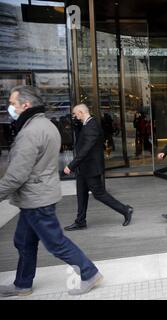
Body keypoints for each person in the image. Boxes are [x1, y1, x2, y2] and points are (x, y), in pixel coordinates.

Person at [0, 86, 102, 297]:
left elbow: (16, 175)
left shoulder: (30, 132)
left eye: (12, 103)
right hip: (36, 196)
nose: (10, 107)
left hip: (37, 199)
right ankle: (22, 284)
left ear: (25, 105)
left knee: (55, 242)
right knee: (23, 241)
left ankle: (89, 272)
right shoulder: (46, 125)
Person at [63, 104, 133, 231]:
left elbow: (85, 149)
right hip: (83, 168)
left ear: (80, 112)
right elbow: (80, 142)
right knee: (81, 195)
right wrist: (77, 125)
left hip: (90, 168)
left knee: (99, 194)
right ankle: (80, 221)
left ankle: (125, 210)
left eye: (75, 114)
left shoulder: (92, 126)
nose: (74, 117)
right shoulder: (86, 124)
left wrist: (71, 165)